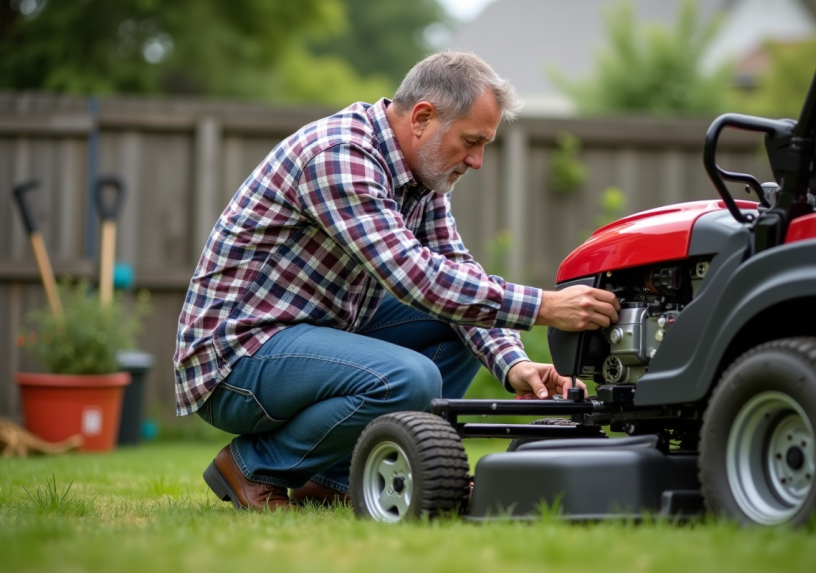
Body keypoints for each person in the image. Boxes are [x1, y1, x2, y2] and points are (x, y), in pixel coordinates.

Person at [174, 51, 620, 512]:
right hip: (235, 358)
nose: (478, 160)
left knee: (457, 322)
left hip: (307, 336)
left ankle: (330, 478)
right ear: (423, 117)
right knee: (411, 378)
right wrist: (543, 306)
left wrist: (514, 366)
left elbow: (459, 275)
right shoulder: (341, 156)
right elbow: (416, 280)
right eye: (471, 140)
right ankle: (253, 466)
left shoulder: (420, 179)